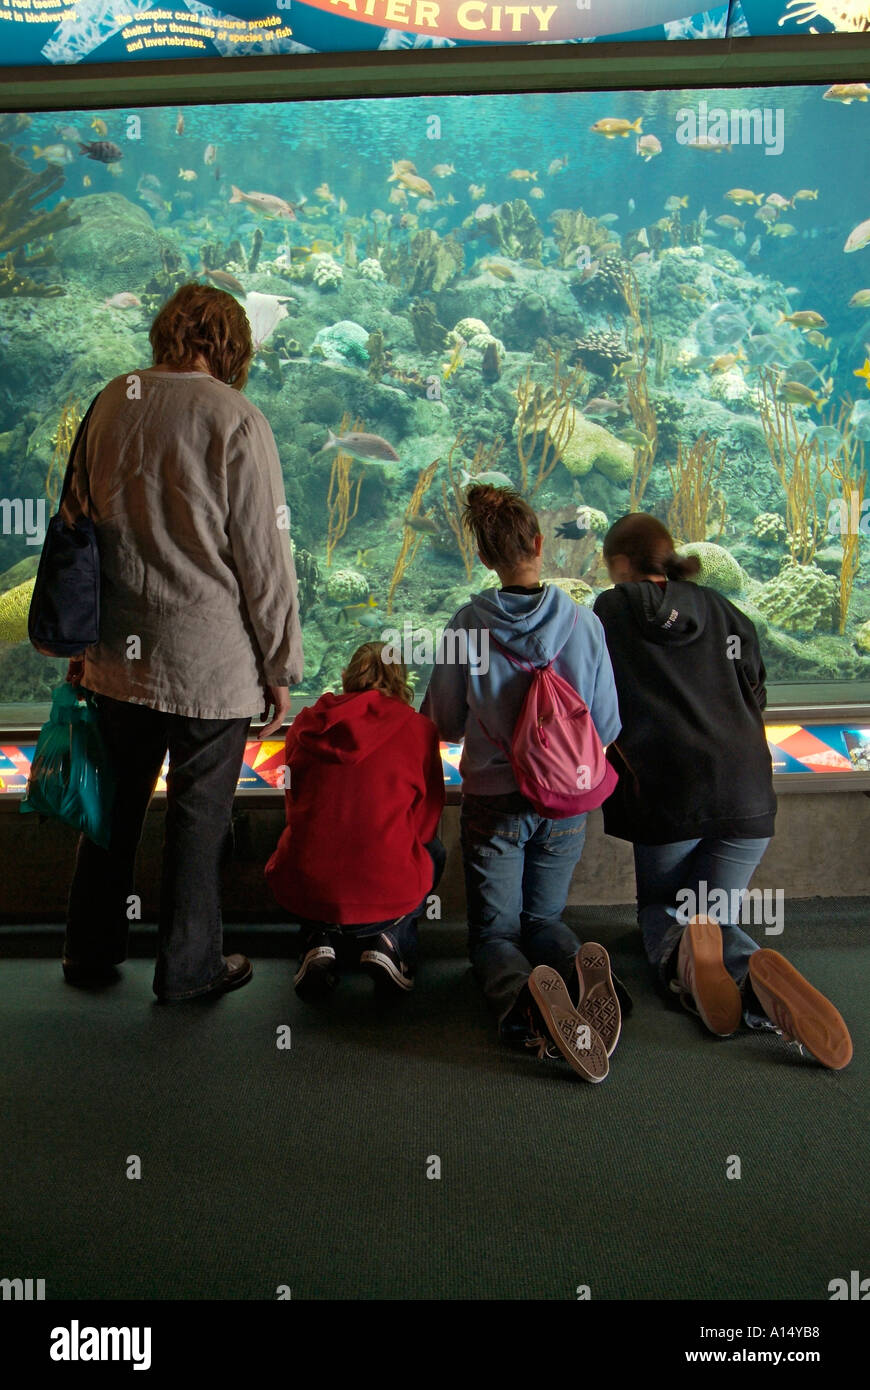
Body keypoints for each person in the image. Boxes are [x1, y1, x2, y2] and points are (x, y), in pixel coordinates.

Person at [62, 282, 303, 1003]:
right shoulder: (236, 417)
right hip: (211, 663)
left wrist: (80, 638)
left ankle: (90, 949)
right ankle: (188, 969)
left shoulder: (112, 399)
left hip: (116, 656)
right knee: (197, 824)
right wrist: (280, 664)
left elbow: (75, 522)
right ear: (231, 344)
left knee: (113, 813)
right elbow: (263, 555)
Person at [593, 512, 852, 1069]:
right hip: (748, 791)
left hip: (666, 794)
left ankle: (710, 972)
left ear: (619, 563)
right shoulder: (726, 610)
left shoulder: (611, 610)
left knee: (663, 907)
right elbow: (754, 691)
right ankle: (752, 978)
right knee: (710, 910)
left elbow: (594, 693)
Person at [421, 485, 623, 1082]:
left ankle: (526, 1002)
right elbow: (608, 722)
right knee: (543, 920)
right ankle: (574, 966)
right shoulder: (585, 624)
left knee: (495, 934)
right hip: (566, 800)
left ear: (484, 557)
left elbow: (444, 721)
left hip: (494, 800)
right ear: (539, 542)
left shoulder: (466, 625)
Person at [266, 641, 446, 996]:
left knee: (299, 841)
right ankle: (391, 939)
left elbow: (294, 803)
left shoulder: (304, 724)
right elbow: (426, 824)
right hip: (387, 889)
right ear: (402, 680)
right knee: (434, 852)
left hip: (306, 888)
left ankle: (317, 939)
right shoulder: (419, 728)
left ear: (346, 676)